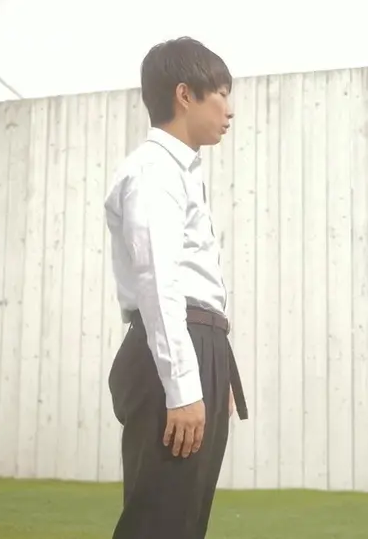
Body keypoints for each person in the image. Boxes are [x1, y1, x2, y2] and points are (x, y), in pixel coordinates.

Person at [103, 36, 248, 539]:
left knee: (184, 522)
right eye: (221, 94)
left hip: (198, 343)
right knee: (160, 523)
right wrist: (184, 386)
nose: (229, 109)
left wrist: (213, 369)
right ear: (185, 95)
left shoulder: (179, 171)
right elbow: (159, 282)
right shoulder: (153, 170)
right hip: (173, 346)